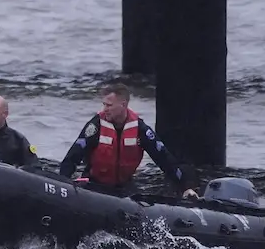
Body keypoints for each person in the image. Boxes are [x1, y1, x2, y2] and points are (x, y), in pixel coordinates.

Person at [57, 83, 193, 198]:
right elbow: (73, 156)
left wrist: (186, 187)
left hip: (124, 187)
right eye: (104, 104)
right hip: (95, 185)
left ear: (123, 105)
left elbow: (164, 159)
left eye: (109, 105)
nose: (104, 109)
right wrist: (62, 183)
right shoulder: (96, 125)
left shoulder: (140, 129)